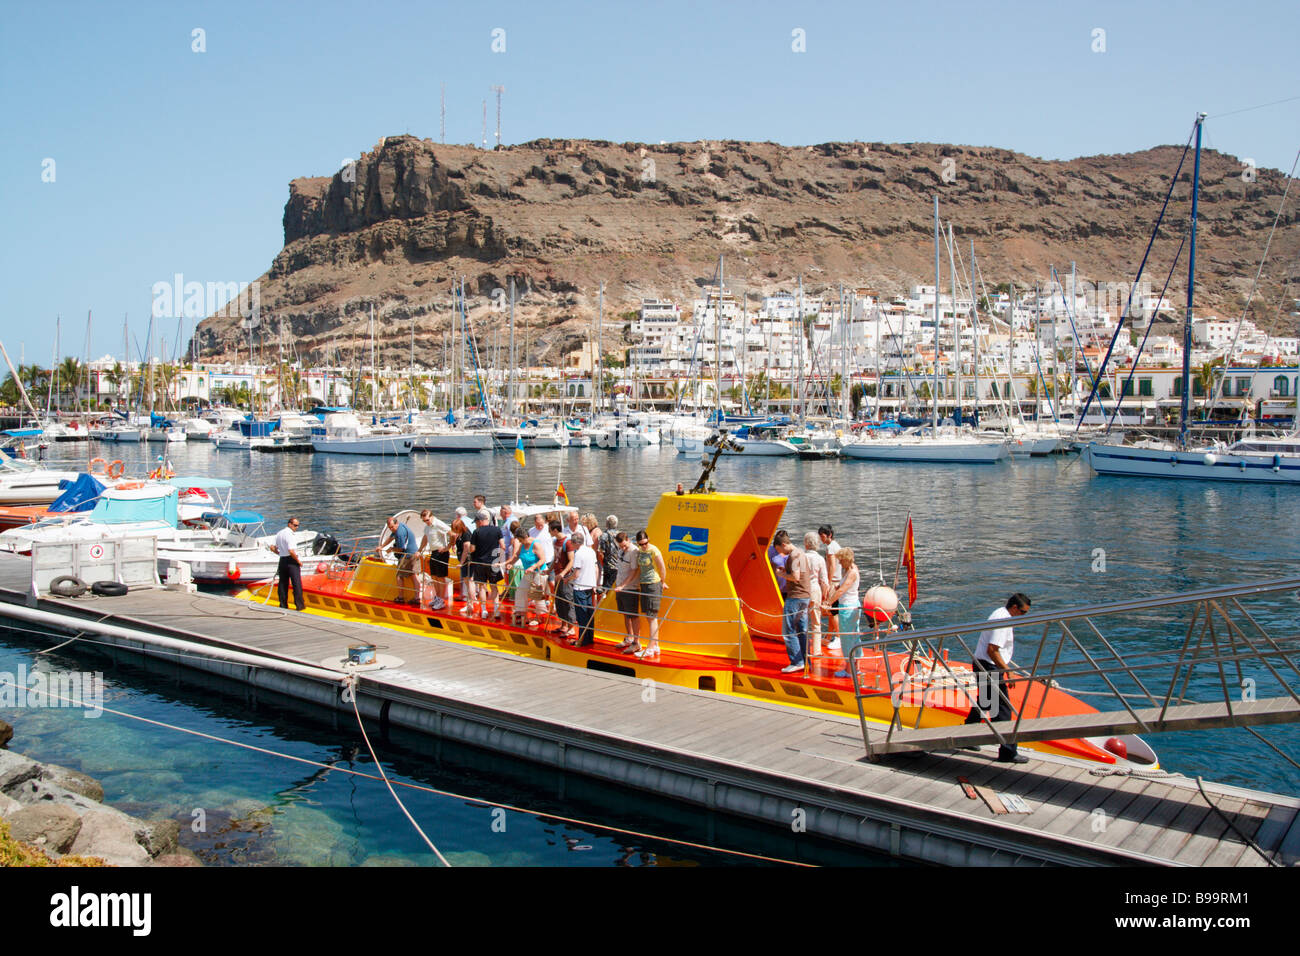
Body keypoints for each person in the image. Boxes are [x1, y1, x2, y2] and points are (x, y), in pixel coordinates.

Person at [964, 592, 1032, 764]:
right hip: (989, 666)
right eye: (1023, 612)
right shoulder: (1003, 620)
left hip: (982, 664)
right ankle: (1007, 752)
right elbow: (992, 650)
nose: (1023, 616)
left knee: (985, 702)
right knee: (1003, 710)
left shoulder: (999, 613)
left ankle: (966, 737)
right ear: (1015, 607)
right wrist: (1007, 670)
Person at [626, 530, 667, 660]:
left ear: (648, 539)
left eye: (645, 543)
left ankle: (650, 648)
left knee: (651, 616)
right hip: (644, 584)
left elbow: (662, 568)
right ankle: (656, 645)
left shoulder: (654, 550)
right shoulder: (639, 550)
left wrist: (662, 582)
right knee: (649, 616)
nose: (644, 546)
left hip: (652, 584)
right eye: (641, 544)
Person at [773, 530, 809, 673]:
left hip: (795, 596)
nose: (780, 553)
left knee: (788, 630)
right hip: (805, 596)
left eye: (779, 549)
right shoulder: (801, 553)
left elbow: (795, 576)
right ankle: (806, 661)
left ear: (783, 544)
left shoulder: (794, 556)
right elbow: (802, 572)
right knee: (802, 630)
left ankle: (797, 661)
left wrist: (782, 574)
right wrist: (786, 569)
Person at [824, 548, 861, 677]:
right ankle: (855, 668)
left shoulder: (852, 573)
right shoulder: (851, 569)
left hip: (848, 608)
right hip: (851, 606)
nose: (839, 563)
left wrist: (828, 602)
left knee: (847, 638)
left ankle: (849, 671)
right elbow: (842, 587)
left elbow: (842, 591)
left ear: (846, 560)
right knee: (854, 636)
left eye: (840, 560)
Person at [466, 508, 505, 619]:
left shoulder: (476, 532)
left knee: (482, 587)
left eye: (477, 522)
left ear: (480, 521)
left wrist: (469, 549)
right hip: (493, 563)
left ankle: (484, 610)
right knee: (494, 587)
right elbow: (502, 546)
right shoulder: (497, 530)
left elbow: (472, 549)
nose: (476, 525)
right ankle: (496, 609)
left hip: (479, 563)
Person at [566, 534, 600, 647]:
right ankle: (590, 637)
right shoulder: (591, 551)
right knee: (589, 613)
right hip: (590, 586)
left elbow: (576, 574)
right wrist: (595, 584)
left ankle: (582, 640)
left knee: (582, 615)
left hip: (580, 587)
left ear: (575, 543)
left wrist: (567, 579)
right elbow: (596, 568)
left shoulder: (578, 554)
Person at [611, 531, 640, 652]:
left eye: (624, 545)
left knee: (633, 615)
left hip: (630, 588)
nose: (623, 548)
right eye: (620, 546)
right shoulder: (621, 551)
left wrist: (623, 585)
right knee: (625, 614)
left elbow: (634, 571)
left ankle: (636, 642)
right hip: (620, 586)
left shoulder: (634, 552)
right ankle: (629, 637)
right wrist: (619, 585)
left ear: (628, 540)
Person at [381, 516, 420, 605]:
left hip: (407, 555)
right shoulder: (399, 527)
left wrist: (391, 549)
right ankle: (417, 597)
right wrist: (382, 546)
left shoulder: (399, 533)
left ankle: (401, 597)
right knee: (413, 574)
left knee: (399, 575)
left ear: (396, 524)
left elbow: (401, 549)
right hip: (414, 552)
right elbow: (391, 537)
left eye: (392, 527)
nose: (391, 529)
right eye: (389, 527)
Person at [803, 531, 830, 658]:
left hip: (802, 589)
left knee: (802, 621)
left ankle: (803, 648)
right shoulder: (820, 559)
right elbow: (824, 580)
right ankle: (816, 650)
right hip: (815, 590)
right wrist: (825, 596)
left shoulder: (801, 557)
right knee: (816, 621)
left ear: (806, 544)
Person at [504, 526, 537, 626]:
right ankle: (523, 615)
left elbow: (543, 559)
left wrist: (533, 567)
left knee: (536, 595)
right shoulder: (522, 546)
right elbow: (516, 556)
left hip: (537, 572)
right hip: (528, 573)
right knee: (520, 592)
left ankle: (538, 618)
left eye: (520, 539)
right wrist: (510, 563)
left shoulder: (535, 544)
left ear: (525, 536)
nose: (519, 541)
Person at [419, 509, 451, 609]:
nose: (426, 522)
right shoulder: (427, 527)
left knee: (441, 577)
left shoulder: (438, 524)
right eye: (424, 521)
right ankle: (437, 597)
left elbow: (453, 534)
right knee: (434, 576)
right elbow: (425, 538)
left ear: (432, 517)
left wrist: (447, 547)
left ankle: (441, 600)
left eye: (427, 520)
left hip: (441, 552)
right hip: (433, 552)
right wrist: (419, 550)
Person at [275, 516, 305, 611]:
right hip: (291, 561)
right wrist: (298, 561)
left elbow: (273, 547)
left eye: (298, 526)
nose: (297, 528)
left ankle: (283, 604)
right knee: (296, 584)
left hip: (282, 559)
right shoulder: (290, 535)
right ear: (290, 524)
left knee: (283, 583)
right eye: (295, 525)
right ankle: (299, 606)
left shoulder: (279, 533)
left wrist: (280, 553)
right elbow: (291, 551)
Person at [819, 525, 842, 647]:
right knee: (830, 611)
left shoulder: (830, 548)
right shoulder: (835, 546)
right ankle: (829, 636)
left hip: (833, 581)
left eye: (822, 536)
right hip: (837, 580)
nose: (821, 539)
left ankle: (838, 637)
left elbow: (832, 565)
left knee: (832, 610)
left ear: (829, 535)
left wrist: (827, 582)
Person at [449, 516, 472, 606]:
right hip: (462, 559)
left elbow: (466, 549)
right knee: (465, 579)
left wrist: (461, 563)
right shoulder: (460, 534)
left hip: (467, 560)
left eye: (456, 529)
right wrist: (453, 545)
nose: (454, 531)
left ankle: (470, 600)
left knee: (468, 580)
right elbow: (455, 537)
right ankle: (465, 596)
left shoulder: (466, 534)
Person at [598, 515, 620, 593]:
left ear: (606, 524)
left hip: (609, 566)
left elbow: (601, 553)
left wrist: (603, 563)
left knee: (607, 588)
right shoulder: (620, 535)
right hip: (619, 565)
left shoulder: (604, 536)